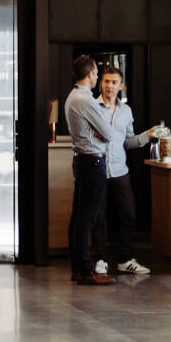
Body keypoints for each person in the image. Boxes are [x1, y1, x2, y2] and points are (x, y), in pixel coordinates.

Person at [91, 67, 161, 276]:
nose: (110, 86)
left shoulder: (126, 111)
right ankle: (101, 259)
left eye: (114, 82)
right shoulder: (92, 107)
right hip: (98, 170)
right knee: (98, 217)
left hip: (121, 171)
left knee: (128, 214)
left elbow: (128, 142)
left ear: (121, 86)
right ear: (100, 83)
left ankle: (125, 259)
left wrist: (147, 135)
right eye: (106, 81)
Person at [65, 55, 115, 285]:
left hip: (82, 161)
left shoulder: (72, 97)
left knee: (79, 217)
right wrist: (99, 133)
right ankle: (85, 270)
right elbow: (109, 133)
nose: (97, 76)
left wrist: (98, 132)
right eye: (96, 73)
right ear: (89, 75)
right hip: (93, 162)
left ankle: (78, 268)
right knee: (87, 217)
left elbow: (101, 131)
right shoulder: (86, 100)